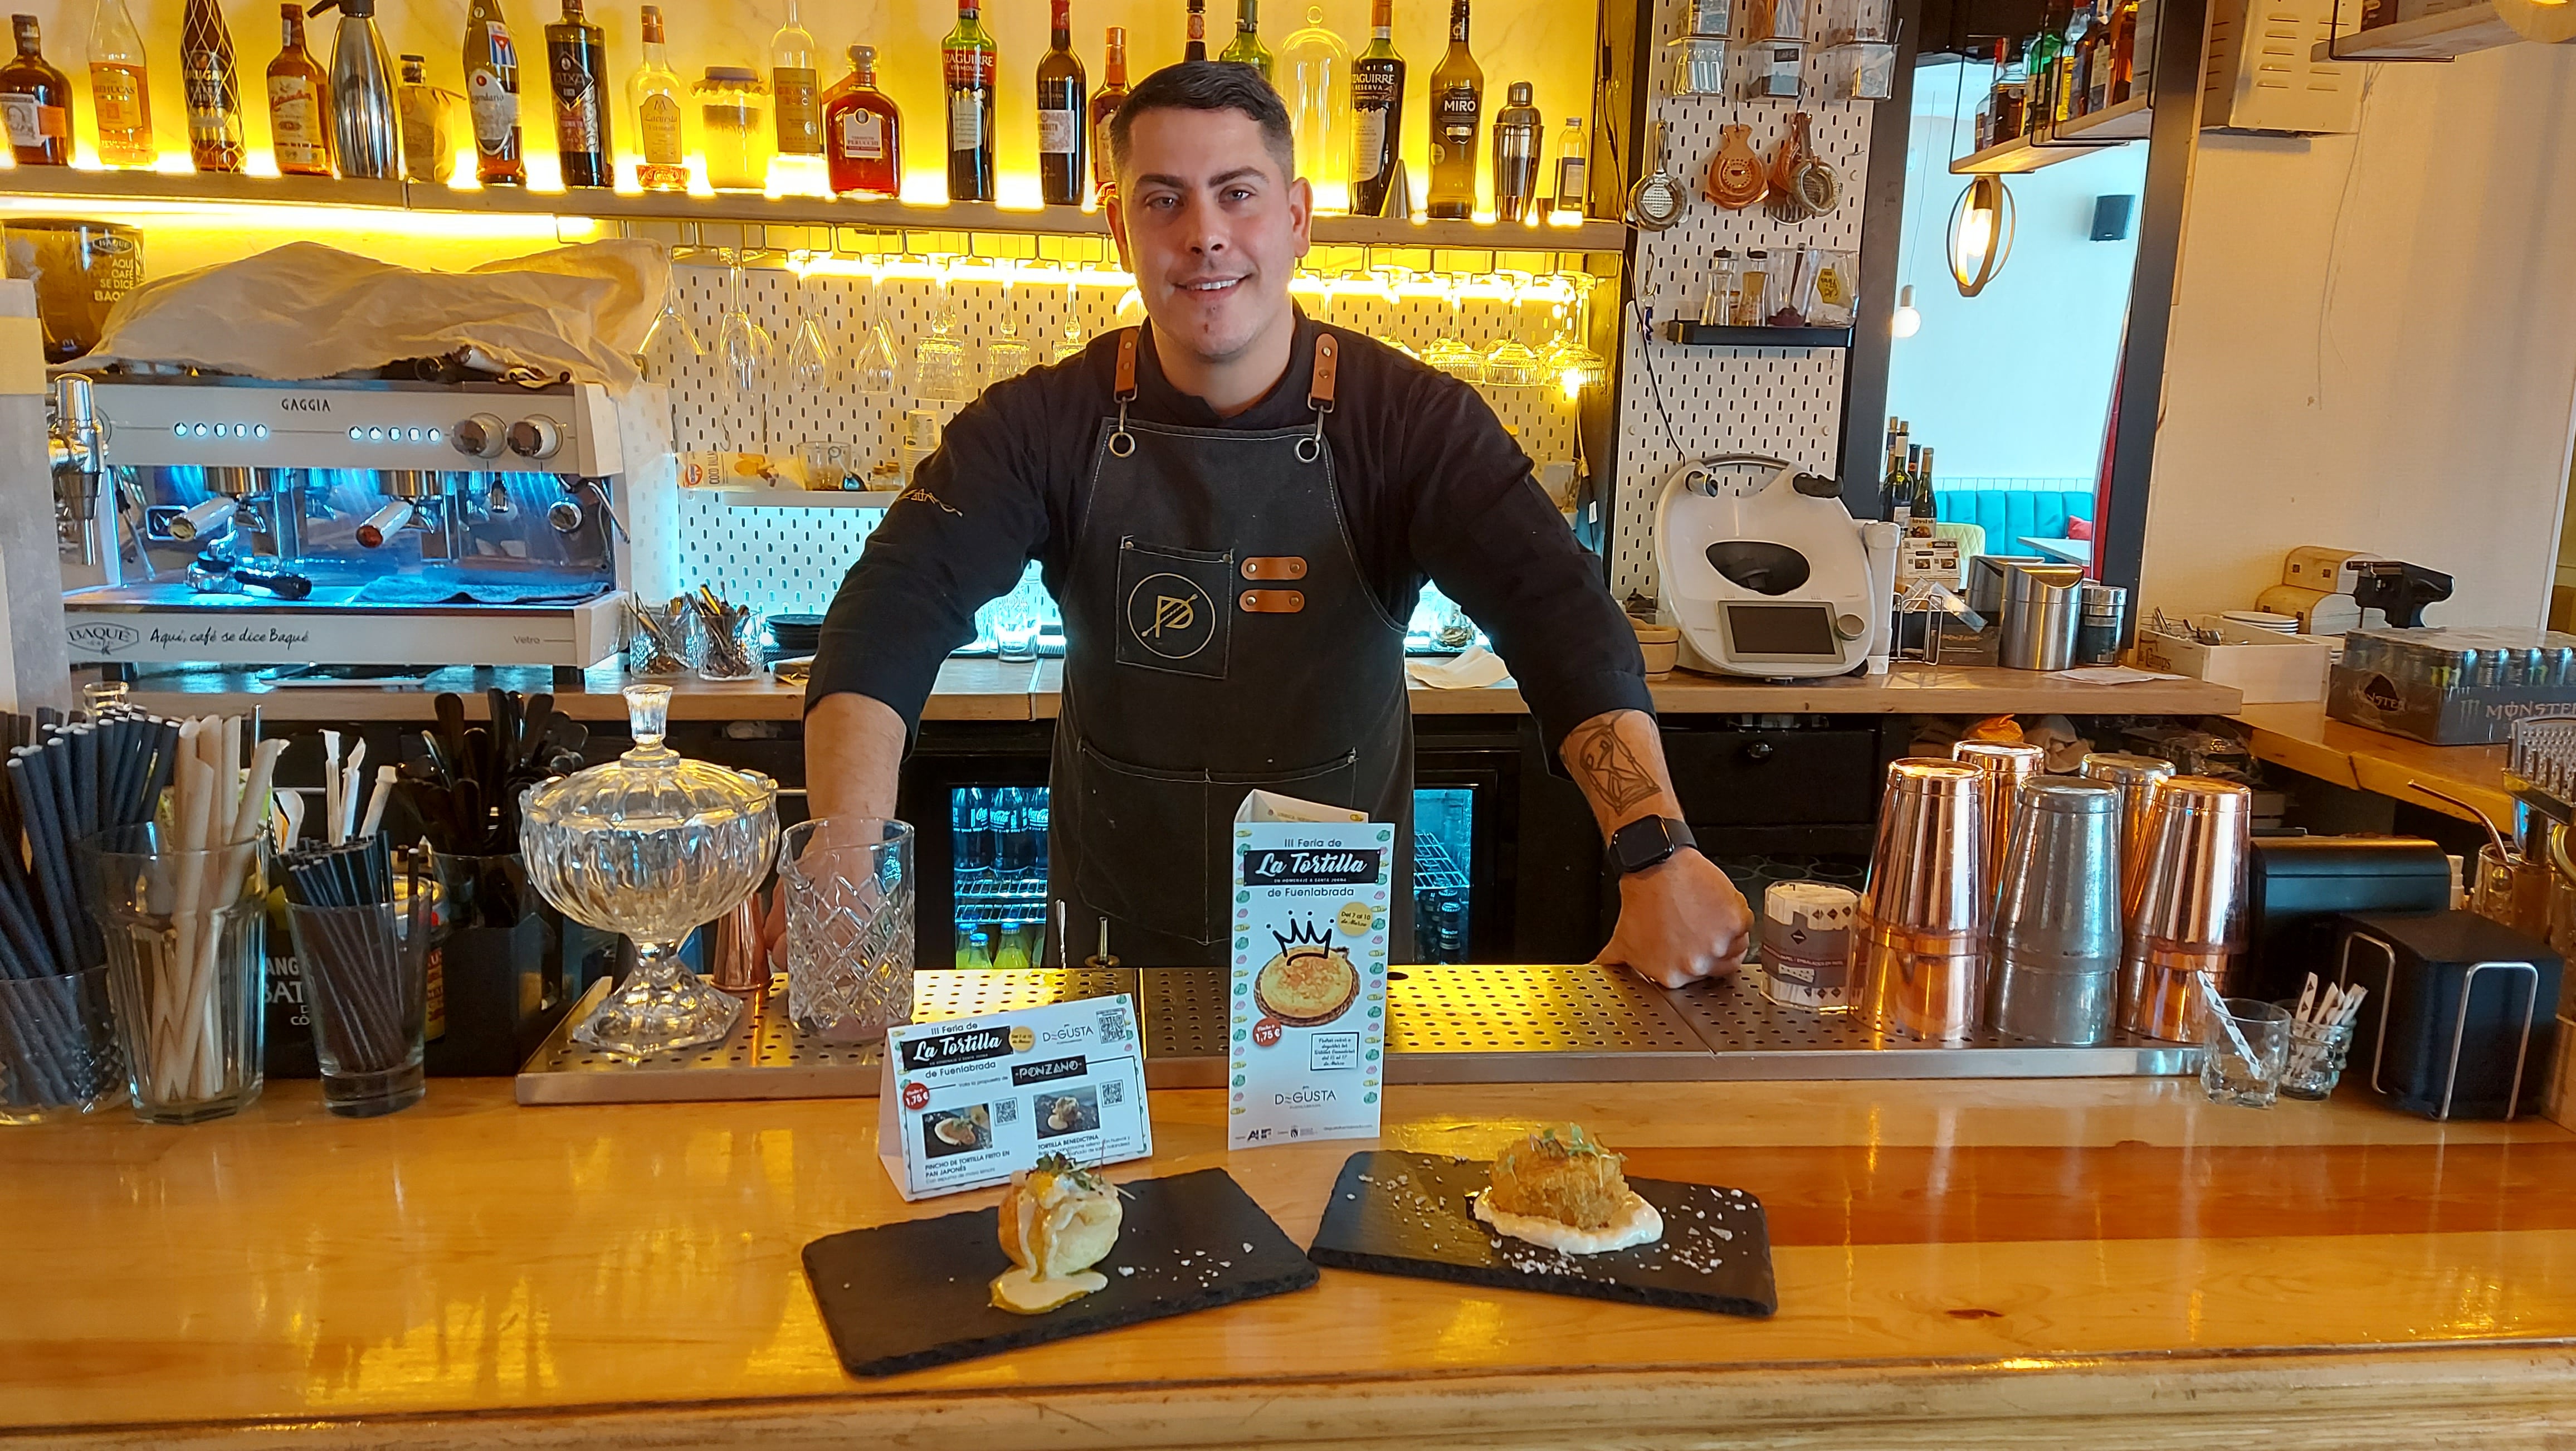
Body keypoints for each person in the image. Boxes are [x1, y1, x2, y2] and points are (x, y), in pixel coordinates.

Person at [796, 61, 1748, 986]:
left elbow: (1557, 611)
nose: (1205, 236)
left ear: (1295, 220)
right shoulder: (1043, 420)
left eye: (1237, 193)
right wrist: (843, 869)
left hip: (1340, 962)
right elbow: (894, 606)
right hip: (1108, 959)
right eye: (1163, 200)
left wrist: (1655, 851)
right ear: (1119, 232)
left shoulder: (1412, 422)